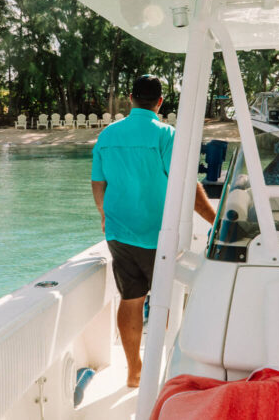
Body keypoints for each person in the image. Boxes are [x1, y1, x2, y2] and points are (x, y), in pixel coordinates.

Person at [90, 75, 216, 388]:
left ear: (131, 98)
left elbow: (98, 183)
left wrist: (105, 215)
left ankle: (134, 371)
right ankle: (165, 373)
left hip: (119, 232)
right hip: (158, 234)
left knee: (131, 298)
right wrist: (216, 220)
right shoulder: (166, 135)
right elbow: (187, 185)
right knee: (168, 299)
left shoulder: (108, 135)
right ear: (160, 102)